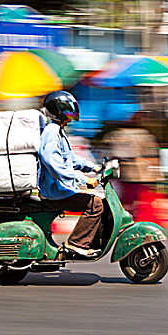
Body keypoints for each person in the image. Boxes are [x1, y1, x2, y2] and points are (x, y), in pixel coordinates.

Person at [37, 91, 104, 258]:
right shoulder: (52, 131)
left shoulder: (58, 130)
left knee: (99, 202)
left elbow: (69, 159)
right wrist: (82, 179)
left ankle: (89, 240)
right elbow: (54, 163)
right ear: (58, 110)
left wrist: (93, 168)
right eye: (67, 109)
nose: (71, 113)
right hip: (54, 192)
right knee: (95, 204)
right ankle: (76, 244)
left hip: (59, 190)